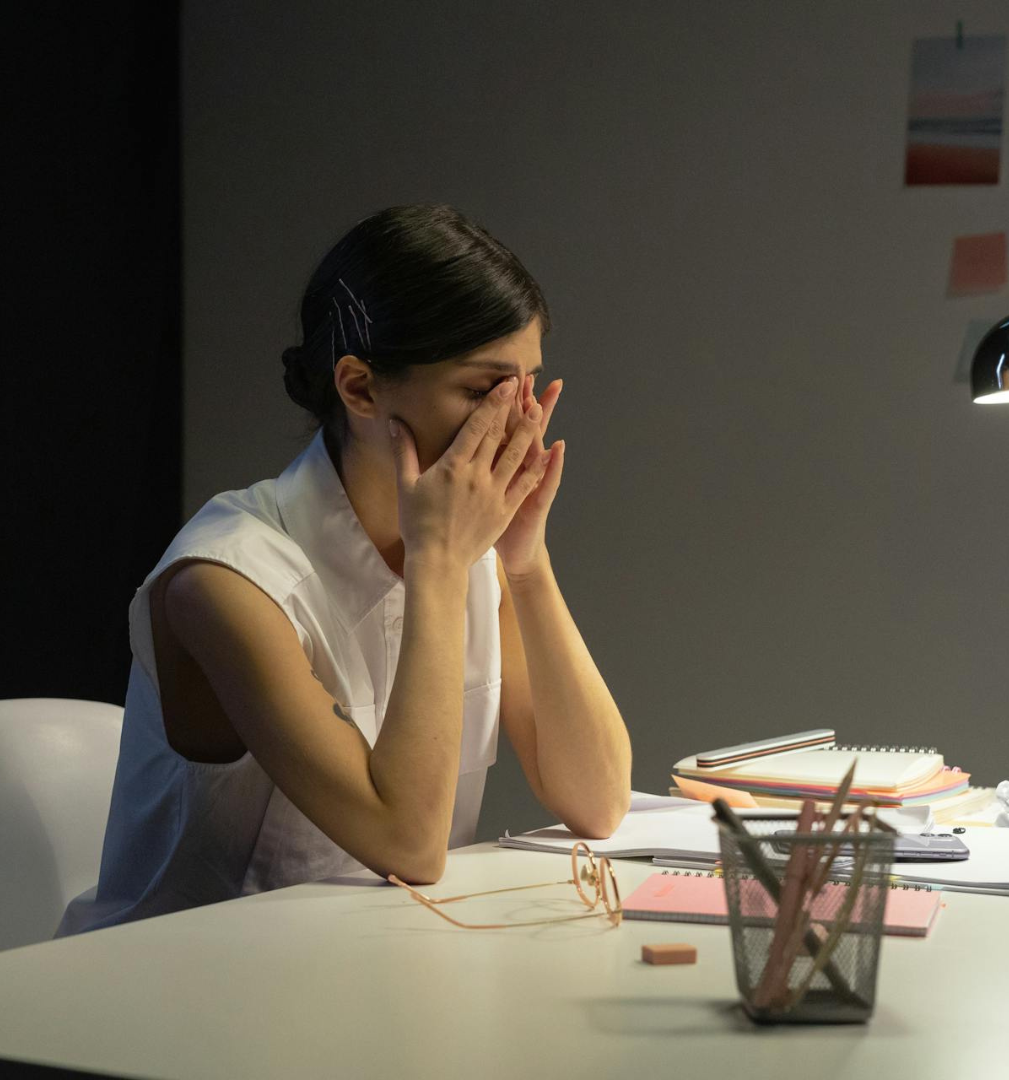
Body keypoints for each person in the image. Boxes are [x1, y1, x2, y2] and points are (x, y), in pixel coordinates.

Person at [57, 204, 632, 936]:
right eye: (482, 390)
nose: (517, 421)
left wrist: (526, 560)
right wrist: (439, 564)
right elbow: (409, 846)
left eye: (529, 387)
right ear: (359, 388)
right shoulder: (225, 578)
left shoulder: (472, 555)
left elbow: (599, 798)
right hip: (177, 999)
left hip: (366, 975)